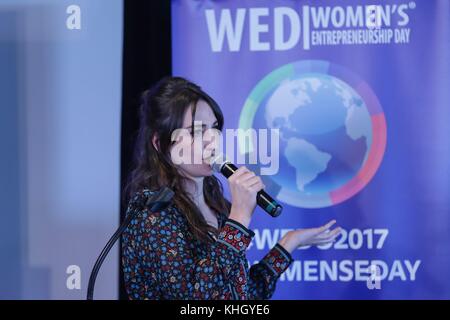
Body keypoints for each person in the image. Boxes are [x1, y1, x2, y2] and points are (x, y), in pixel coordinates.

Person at [121, 76, 341, 300]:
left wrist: (289, 243)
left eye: (214, 128)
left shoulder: (215, 205)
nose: (212, 140)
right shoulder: (152, 211)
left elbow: (240, 296)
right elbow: (194, 300)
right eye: (196, 131)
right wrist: (239, 216)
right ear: (160, 144)